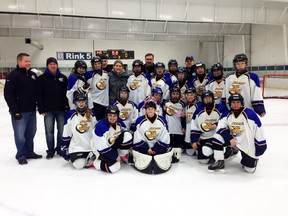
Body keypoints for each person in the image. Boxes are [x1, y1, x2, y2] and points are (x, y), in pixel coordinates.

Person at [208, 93, 267, 173]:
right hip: (233, 141)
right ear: (230, 104)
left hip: (246, 144)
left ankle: (251, 159)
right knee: (217, 137)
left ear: (241, 103)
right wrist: (229, 138)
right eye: (233, 103)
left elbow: (259, 130)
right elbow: (220, 127)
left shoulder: (250, 114)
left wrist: (261, 146)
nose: (236, 105)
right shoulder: (227, 114)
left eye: (238, 102)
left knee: (249, 169)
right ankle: (219, 161)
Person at [4, 53, 42, 165]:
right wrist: (15, 110)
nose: (28, 63)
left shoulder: (32, 75)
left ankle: (29, 152)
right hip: (19, 112)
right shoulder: (13, 76)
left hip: (31, 110)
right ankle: (21, 155)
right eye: (26, 61)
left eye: (29, 61)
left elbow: (36, 92)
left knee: (31, 133)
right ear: (19, 61)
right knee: (20, 135)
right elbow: (8, 95)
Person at [37, 57, 69, 159]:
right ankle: (50, 150)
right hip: (48, 110)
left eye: (54, 63)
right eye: (50, 64)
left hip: (61, 109)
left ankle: (59, 148)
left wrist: (66, 107)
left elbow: (66, 94)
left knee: (61, 131)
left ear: (57, 65)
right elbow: (39, 95)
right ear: (47, 65)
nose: (53, 65)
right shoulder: (42, 78)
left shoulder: (63, 78)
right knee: (49, 131)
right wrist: (41, 109)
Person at [132, 99, 172, 174]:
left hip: (158, 149)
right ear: (146, 110)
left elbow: (165, 136)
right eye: (148, 109)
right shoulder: (139, 121)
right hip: (145, 150)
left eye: (152, 109)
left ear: (155, 110)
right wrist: (147, 149)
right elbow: (137, 137)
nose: (150, 110)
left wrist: (156, 149)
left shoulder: (162, 120)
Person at [60, 91, 97, 169]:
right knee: (79, 165)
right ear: (75, 103)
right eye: (79, 102)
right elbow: (67, 131)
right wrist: (65, 146)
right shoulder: (70, 114)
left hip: (90, 146)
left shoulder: (92, 113)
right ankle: (89, 160)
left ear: (86, 102)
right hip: (77, 147)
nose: (81, 104)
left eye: (83, 101)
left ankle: (90, 158)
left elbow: (96, 130)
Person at [91, 105, 133, 173]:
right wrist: (114, 156)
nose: (112, 118)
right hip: (99, 149)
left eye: (114, 116)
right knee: (114, 167)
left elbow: (126, 132)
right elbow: (101, 147)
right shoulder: (100, 126)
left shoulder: (119, 122)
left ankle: (122, 155)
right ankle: (94, 162)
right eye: (110, 115)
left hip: (111, 145)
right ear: (106, 115)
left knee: (128, 135)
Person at [190, 90, 227, 164]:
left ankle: (224, 151)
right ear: (202, 100)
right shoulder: (198, 111)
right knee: (203, 160)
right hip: (204, 138)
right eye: (205, 98)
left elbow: (227, 120)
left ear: (213, 98)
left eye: (209, 98)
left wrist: (216, 124)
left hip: (217, 137)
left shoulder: (221, 108)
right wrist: (194, 140)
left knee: (221, 151)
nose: (208, 100)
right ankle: (211, 152)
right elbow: (194, 126)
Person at [163, 87, 185, 162]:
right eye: (173, 94)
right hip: (169, 129)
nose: (175, 95)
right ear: (170, 95)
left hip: (178, 129)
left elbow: (183, 116)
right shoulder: (166, 104)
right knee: (169, 146)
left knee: (178, 148)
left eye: (177, 94)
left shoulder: (182, 104)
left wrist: (184, 127)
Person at [88, 56, 109, 120]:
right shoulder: (89, 75)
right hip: (95, 102)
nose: (97, 65)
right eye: (95, 64)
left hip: (105, 103)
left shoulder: (106, 74)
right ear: (92, 65)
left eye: (99, 63)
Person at [183, 87, 199, 156]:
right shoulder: (185, 107)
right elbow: (182, 115)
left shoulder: (198, 105)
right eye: (188, 95)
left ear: (195, 95)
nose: (190, 97)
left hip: (196, 130)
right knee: (190, 153)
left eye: (191, 95)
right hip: (188, 129)